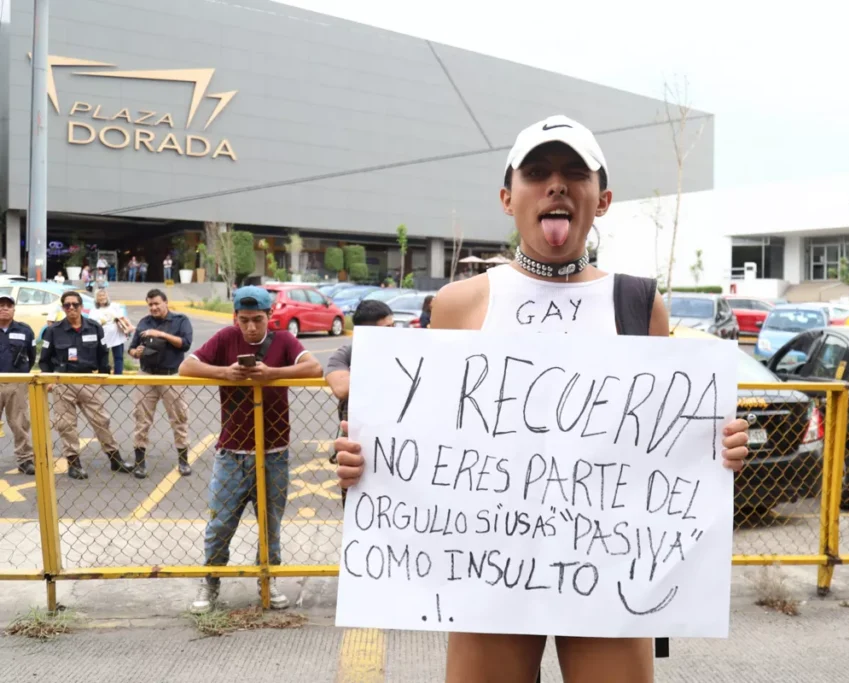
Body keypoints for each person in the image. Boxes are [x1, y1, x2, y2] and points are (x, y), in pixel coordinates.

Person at [332, 115, 751, 683]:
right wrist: (363, 461)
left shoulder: (638, 303)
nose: (556, 184)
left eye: (574, 173)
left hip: (607, 575)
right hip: (486, 573)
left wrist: (716, 446)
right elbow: (420, 438)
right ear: (509, 198)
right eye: (537, 173)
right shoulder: (459, 304)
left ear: (601, 199)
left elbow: (664, 436)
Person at [179, 285, 322, 614]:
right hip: (232, 450)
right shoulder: (226, 338)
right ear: (235, 318)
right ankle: (211, 579)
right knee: (220, 522)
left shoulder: (284, 340)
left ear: (270, 316)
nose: (251, 327)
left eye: (257, 319)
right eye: (244, 320)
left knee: (270, 523)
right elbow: (186, 367)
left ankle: (267, 577)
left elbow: (314, 368)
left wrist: (272, 374)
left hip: (274, 450)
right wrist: (224, 373)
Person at [40, 290, 133, 480]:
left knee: (101, 421)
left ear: (82, 307)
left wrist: (103, 378)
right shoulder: (53, 331)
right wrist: (50, 379)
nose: (71, 308)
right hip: (63, 382)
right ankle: (74, 463)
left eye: (75, 304)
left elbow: (102, 354)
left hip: (88, 381)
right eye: (67, 305)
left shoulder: (94, 327)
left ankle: (115, 459)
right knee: (66, 425)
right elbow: (44, 360)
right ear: (63, 308)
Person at [128, 289, 194, 479]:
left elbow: (185, 343)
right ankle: (139, 462)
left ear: (166, 302)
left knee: (179, 418)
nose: (154, 307)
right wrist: (136, 353)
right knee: (142, 418)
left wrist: (160, 334)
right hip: (146, 375)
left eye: (157, 303)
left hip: (171, 375)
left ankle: (183, 460)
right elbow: (131, 349)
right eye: (150, 304)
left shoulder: (180, 321)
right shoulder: (143, 323)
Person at [324, 300, 394, 466]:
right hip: (359, 440)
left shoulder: (406, 351)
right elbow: (340, 388)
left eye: (394, 326)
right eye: (387, 329)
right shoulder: (347, 354)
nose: (394, 333)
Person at [0, 293, 36, 475]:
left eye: (8, 305)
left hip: (17, 382)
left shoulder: (25, 330)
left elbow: (32, 356)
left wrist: (21, 376)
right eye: (1, 305)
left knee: (20, 422)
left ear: (14, 309)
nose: (4, 308)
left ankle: (25, 460)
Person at [89, 288, 133, 375]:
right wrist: (100, 322)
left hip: (117, 336)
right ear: (96, 298)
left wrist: (129, 326)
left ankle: (118, 377)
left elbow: (122, 318)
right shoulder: (94, 310)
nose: (102, 297)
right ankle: (104, 376)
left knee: (118, 357)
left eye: (103, 295)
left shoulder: (114, 306)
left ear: (107, 296)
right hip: (103, 338)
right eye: (99, 296)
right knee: (103, 358)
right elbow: (91, 323)